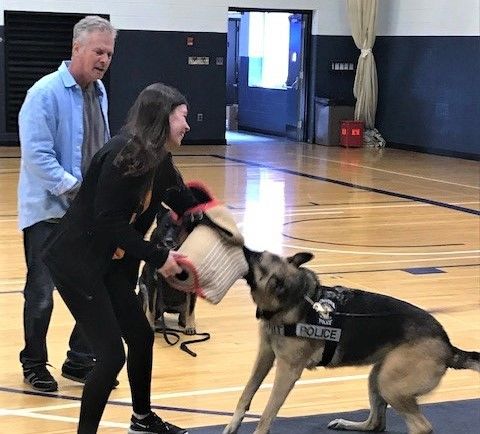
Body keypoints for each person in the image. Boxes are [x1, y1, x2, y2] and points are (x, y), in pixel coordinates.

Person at [42, 83, 196, 434]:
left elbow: (188, 204)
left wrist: (221, 229)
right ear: (162, 117)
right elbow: (108, 222)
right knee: (112, 356)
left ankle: (142, 419)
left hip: (107, 264)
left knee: (141, 337)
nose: (188, 126)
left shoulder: (161, 162)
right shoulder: (122, 155)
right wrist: (160, 257)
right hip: (77, 264)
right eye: (182, 117)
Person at [17, 15, 117, 392]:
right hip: (49, 212)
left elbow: (99, 149)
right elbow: (38, 157)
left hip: (86, 212)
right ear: (76, 48)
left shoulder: (99, 92)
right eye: (98, 51)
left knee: (95, 287)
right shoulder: (44, 93)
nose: (104, 59)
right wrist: (78, 191)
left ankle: (78, 360)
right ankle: (33, 363)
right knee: (41, 294)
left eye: (109, 53)